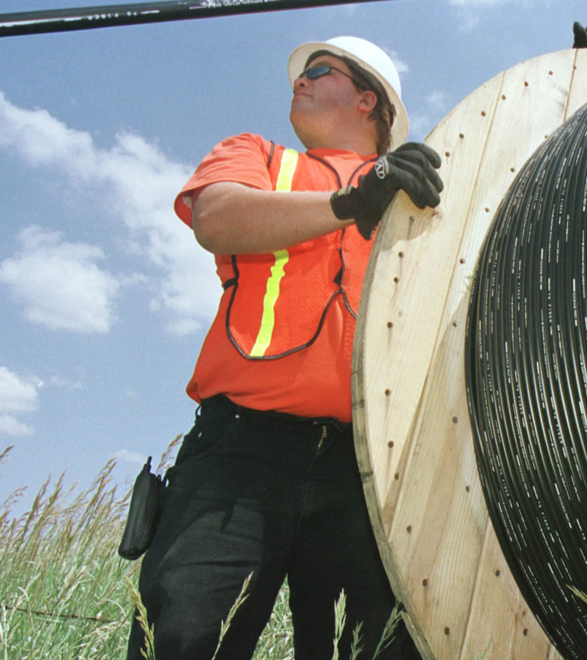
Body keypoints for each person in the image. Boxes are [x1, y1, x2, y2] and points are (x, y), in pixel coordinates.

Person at [127, 35, 441, 660]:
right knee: (186, 635)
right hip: (241, 453)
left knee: (394, 646)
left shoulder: (422, 194)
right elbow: (215, 217)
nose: (299, 80)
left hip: (373, 466)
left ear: (368, 100)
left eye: (319, 71)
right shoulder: (259, 156)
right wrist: (351, 202)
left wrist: (584, 89)